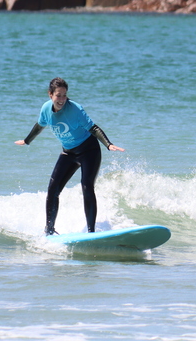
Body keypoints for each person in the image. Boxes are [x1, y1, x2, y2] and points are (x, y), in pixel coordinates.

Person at [15, 77, 124, 235]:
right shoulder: (46, 109)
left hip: (89, 150)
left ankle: (91, 233)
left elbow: (93, 128)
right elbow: (40, 125)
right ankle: (50, 230)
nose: (61, 99)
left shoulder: (75, 109)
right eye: (58, 95)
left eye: (64, 95)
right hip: (68, 152)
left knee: (87, 185)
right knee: (53, 189)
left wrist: (108, 144)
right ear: (50, 94)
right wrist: (27, 140)